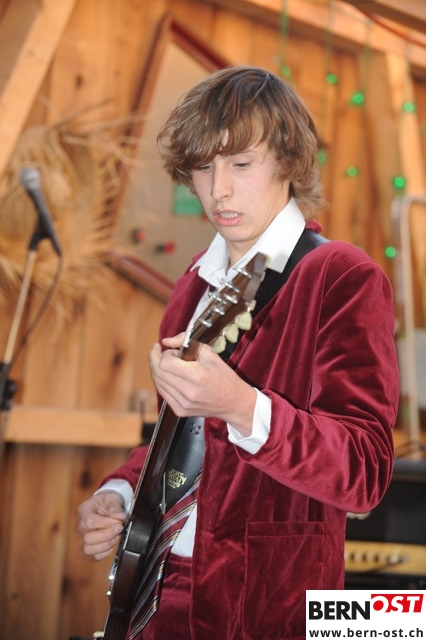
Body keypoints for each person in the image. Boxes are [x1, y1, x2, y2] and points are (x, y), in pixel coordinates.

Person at [77, 66, 399, 640]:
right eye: (203, 167)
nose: (218, 190)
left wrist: (241, 406)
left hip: (267, 606)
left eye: (241, 164)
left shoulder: (341, 275)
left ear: (288, 162)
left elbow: (364, 471)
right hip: (154, 591)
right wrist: (119, 491)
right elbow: (183, 439)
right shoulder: (192, 284)